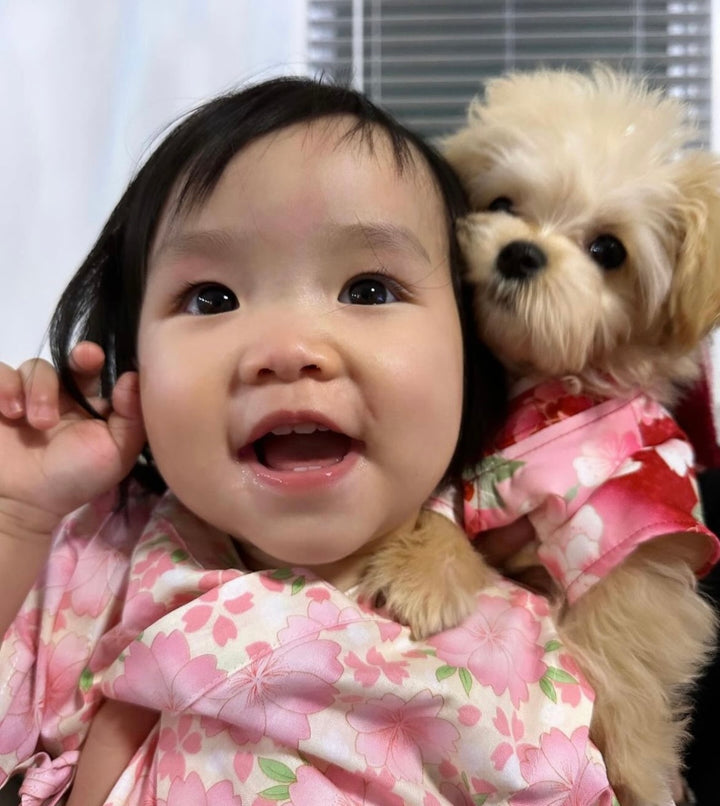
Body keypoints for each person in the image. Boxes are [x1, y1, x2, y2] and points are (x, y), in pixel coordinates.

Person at [0, 76, 617, 805]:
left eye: (367, 290)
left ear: (472, 350)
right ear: (132, 362)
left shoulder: (521, 649)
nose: (288, 349)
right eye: (212, 299)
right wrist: (17, 515)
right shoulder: (94, 554)